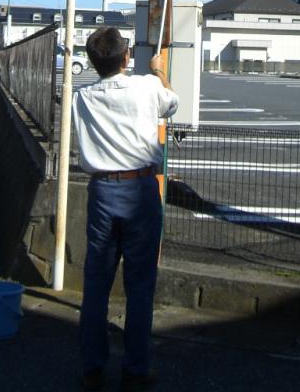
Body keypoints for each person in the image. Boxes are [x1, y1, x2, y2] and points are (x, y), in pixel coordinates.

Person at [72, 27, 179, 392]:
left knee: (96, 282)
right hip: (140, 190)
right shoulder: (148, 86)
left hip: (102, 191)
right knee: (140, 284)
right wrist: (160, 69)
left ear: (92, 61)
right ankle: (135, 368)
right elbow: (172, 102)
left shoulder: (81, 97)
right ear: (126, 57)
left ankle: (91, 366)